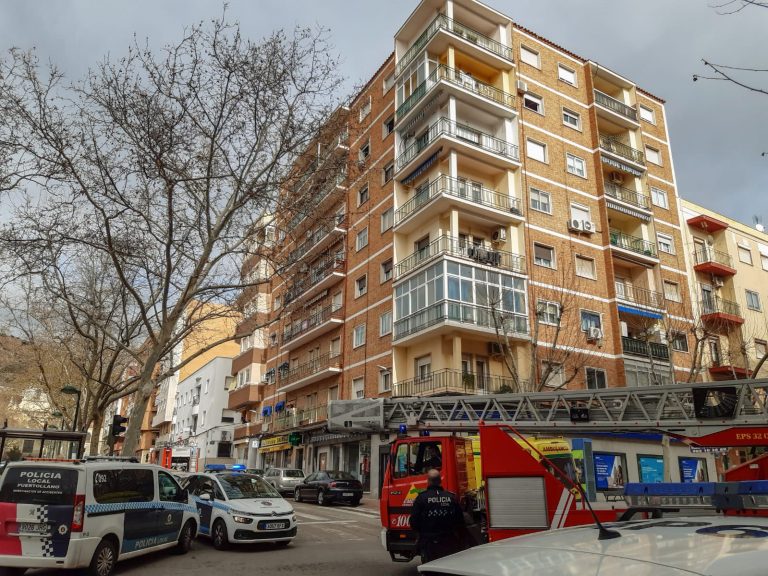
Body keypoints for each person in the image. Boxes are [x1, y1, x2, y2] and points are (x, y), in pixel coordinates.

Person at [410, 469, 465, 563]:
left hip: (429, 543)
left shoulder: (421, 498)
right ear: (440, 481)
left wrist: (421, 533)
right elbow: (460, 520)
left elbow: (413, 521)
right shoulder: (451, 497)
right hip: (449, 541)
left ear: (428, 481)